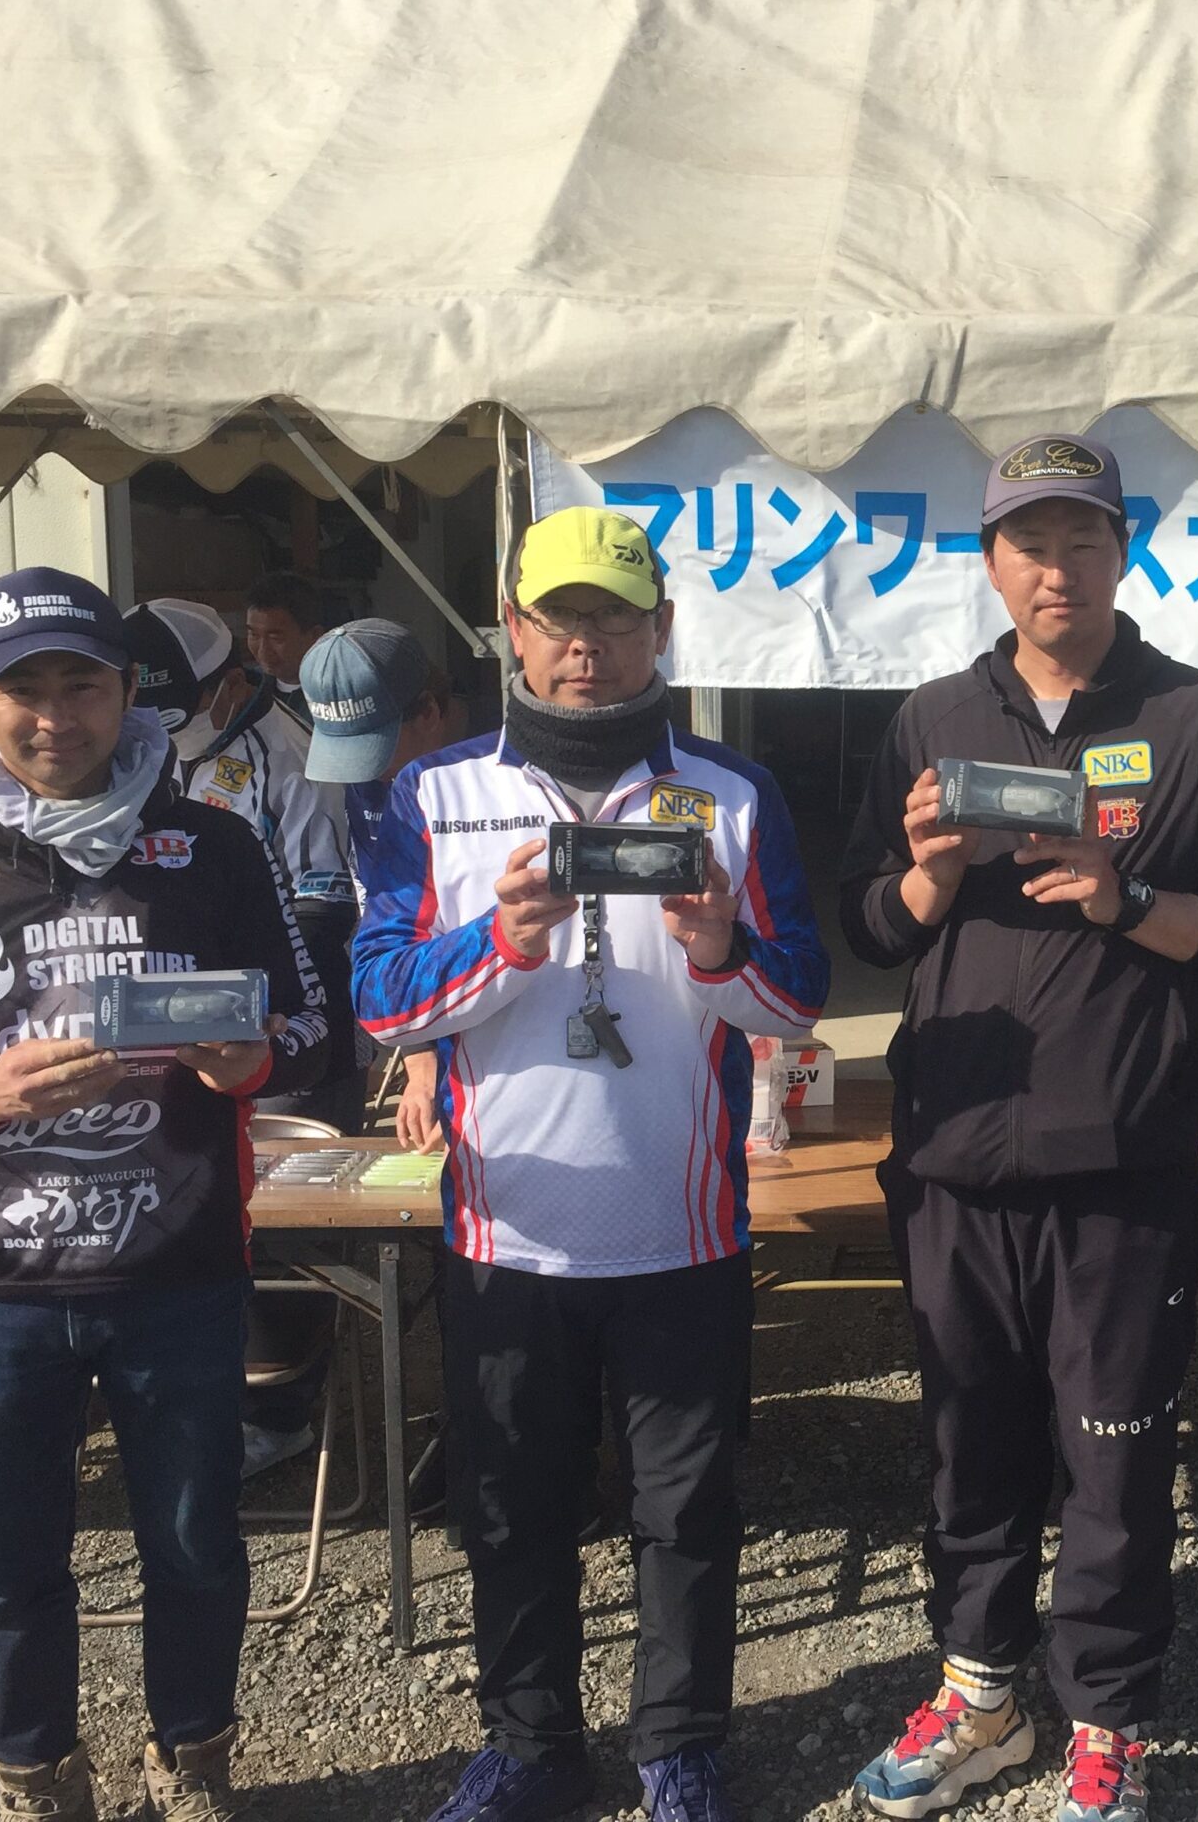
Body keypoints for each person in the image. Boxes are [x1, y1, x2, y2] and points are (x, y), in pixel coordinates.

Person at [840, 435, 1198, 1822]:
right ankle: (981, 1695)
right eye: (1030, 544)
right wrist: (926, 881)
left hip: (1122, 1163)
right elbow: (865, 928)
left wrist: (1125, 898)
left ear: (1123, 551)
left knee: (1116, 1458)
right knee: (968, 1445)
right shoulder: (931, 717)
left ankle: (1108, 1717)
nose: (1058, 569)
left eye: (1083, 540)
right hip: (955, 1157)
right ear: (991, 563)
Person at [0, 566, 329, 1822]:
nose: (56, 717)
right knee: (8, 1564)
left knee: (196, 1549)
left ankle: (193, 1762)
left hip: (181, 1273)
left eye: (83, 686)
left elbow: (315, 1025)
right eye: (25, 691)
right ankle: (37, 1777)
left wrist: (249, 1060)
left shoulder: (217, 845)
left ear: (127, 691)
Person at [355, 507, 829, 1822]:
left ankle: (681, 1747)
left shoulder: (733, 794)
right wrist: (502, 945)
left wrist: (723, 945)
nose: (586, 646)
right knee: (513, 1505)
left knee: (688, 1509)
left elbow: (797, 1003)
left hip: (683, 1229)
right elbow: (383, 1003)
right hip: (507, 1232)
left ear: (660, 629)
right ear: (511, 629)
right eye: (559, 618)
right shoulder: (434, 795)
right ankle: (528, 1743)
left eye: (615, 618)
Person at [126, 599, 359, 1133]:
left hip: (278, 1033)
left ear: (232, 683)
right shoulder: (132, 756)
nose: (160, 727)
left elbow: (324, 906)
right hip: (165, 1037)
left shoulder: (294, 759)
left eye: (179, 711)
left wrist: (248, 1012)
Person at [299, 617, 462, 1152]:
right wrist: (420, 1058)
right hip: (428, 1024)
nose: (364, 771)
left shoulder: (506, 786)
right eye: (348, 752)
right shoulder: (367, 785)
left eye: (375, 748)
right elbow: (389, 936)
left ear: (430, 713)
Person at [244, 570, 326, 729]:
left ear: (315, 635)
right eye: (254, 635)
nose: (263, 651)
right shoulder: (247, 688)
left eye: (276, 638)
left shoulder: (334, 698)